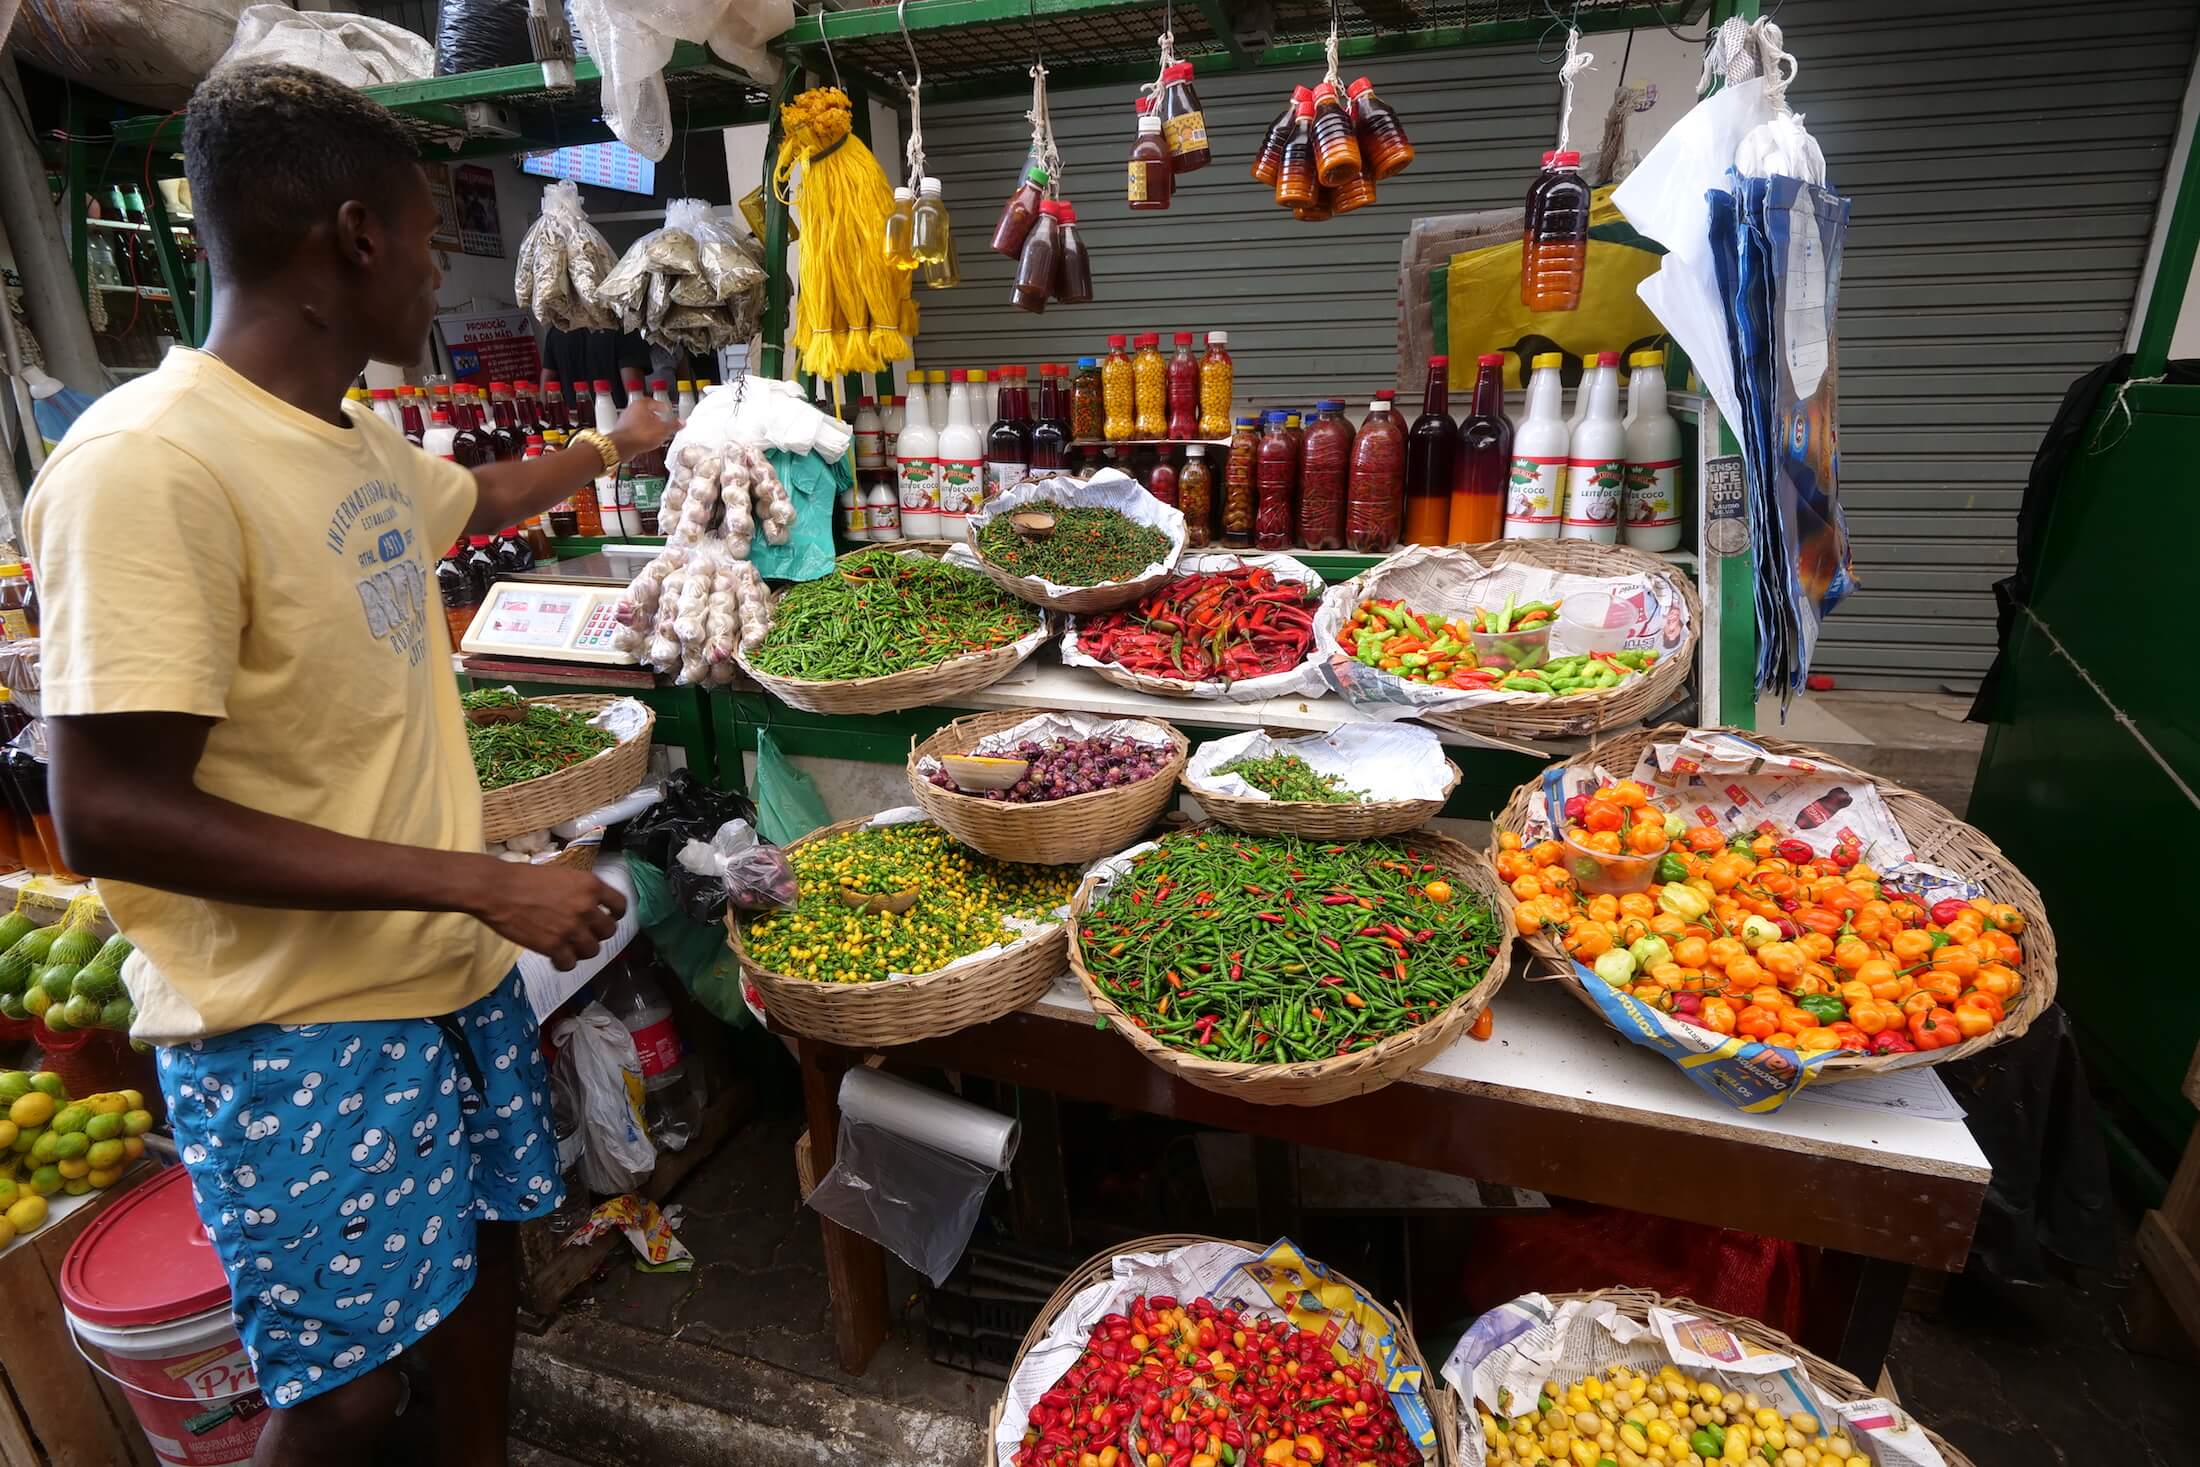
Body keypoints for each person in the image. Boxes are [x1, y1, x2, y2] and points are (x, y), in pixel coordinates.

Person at [23, 64, 676, 1467]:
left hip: (445, 976)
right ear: (356, 237)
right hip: (293, 1023)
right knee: (346, 1394)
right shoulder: (148, 466)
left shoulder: (351, 437)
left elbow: (475, 497)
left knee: (484, 1279)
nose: (442, 270)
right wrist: (485, 884)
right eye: (432, 236)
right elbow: (110, 814)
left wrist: (607, 448)